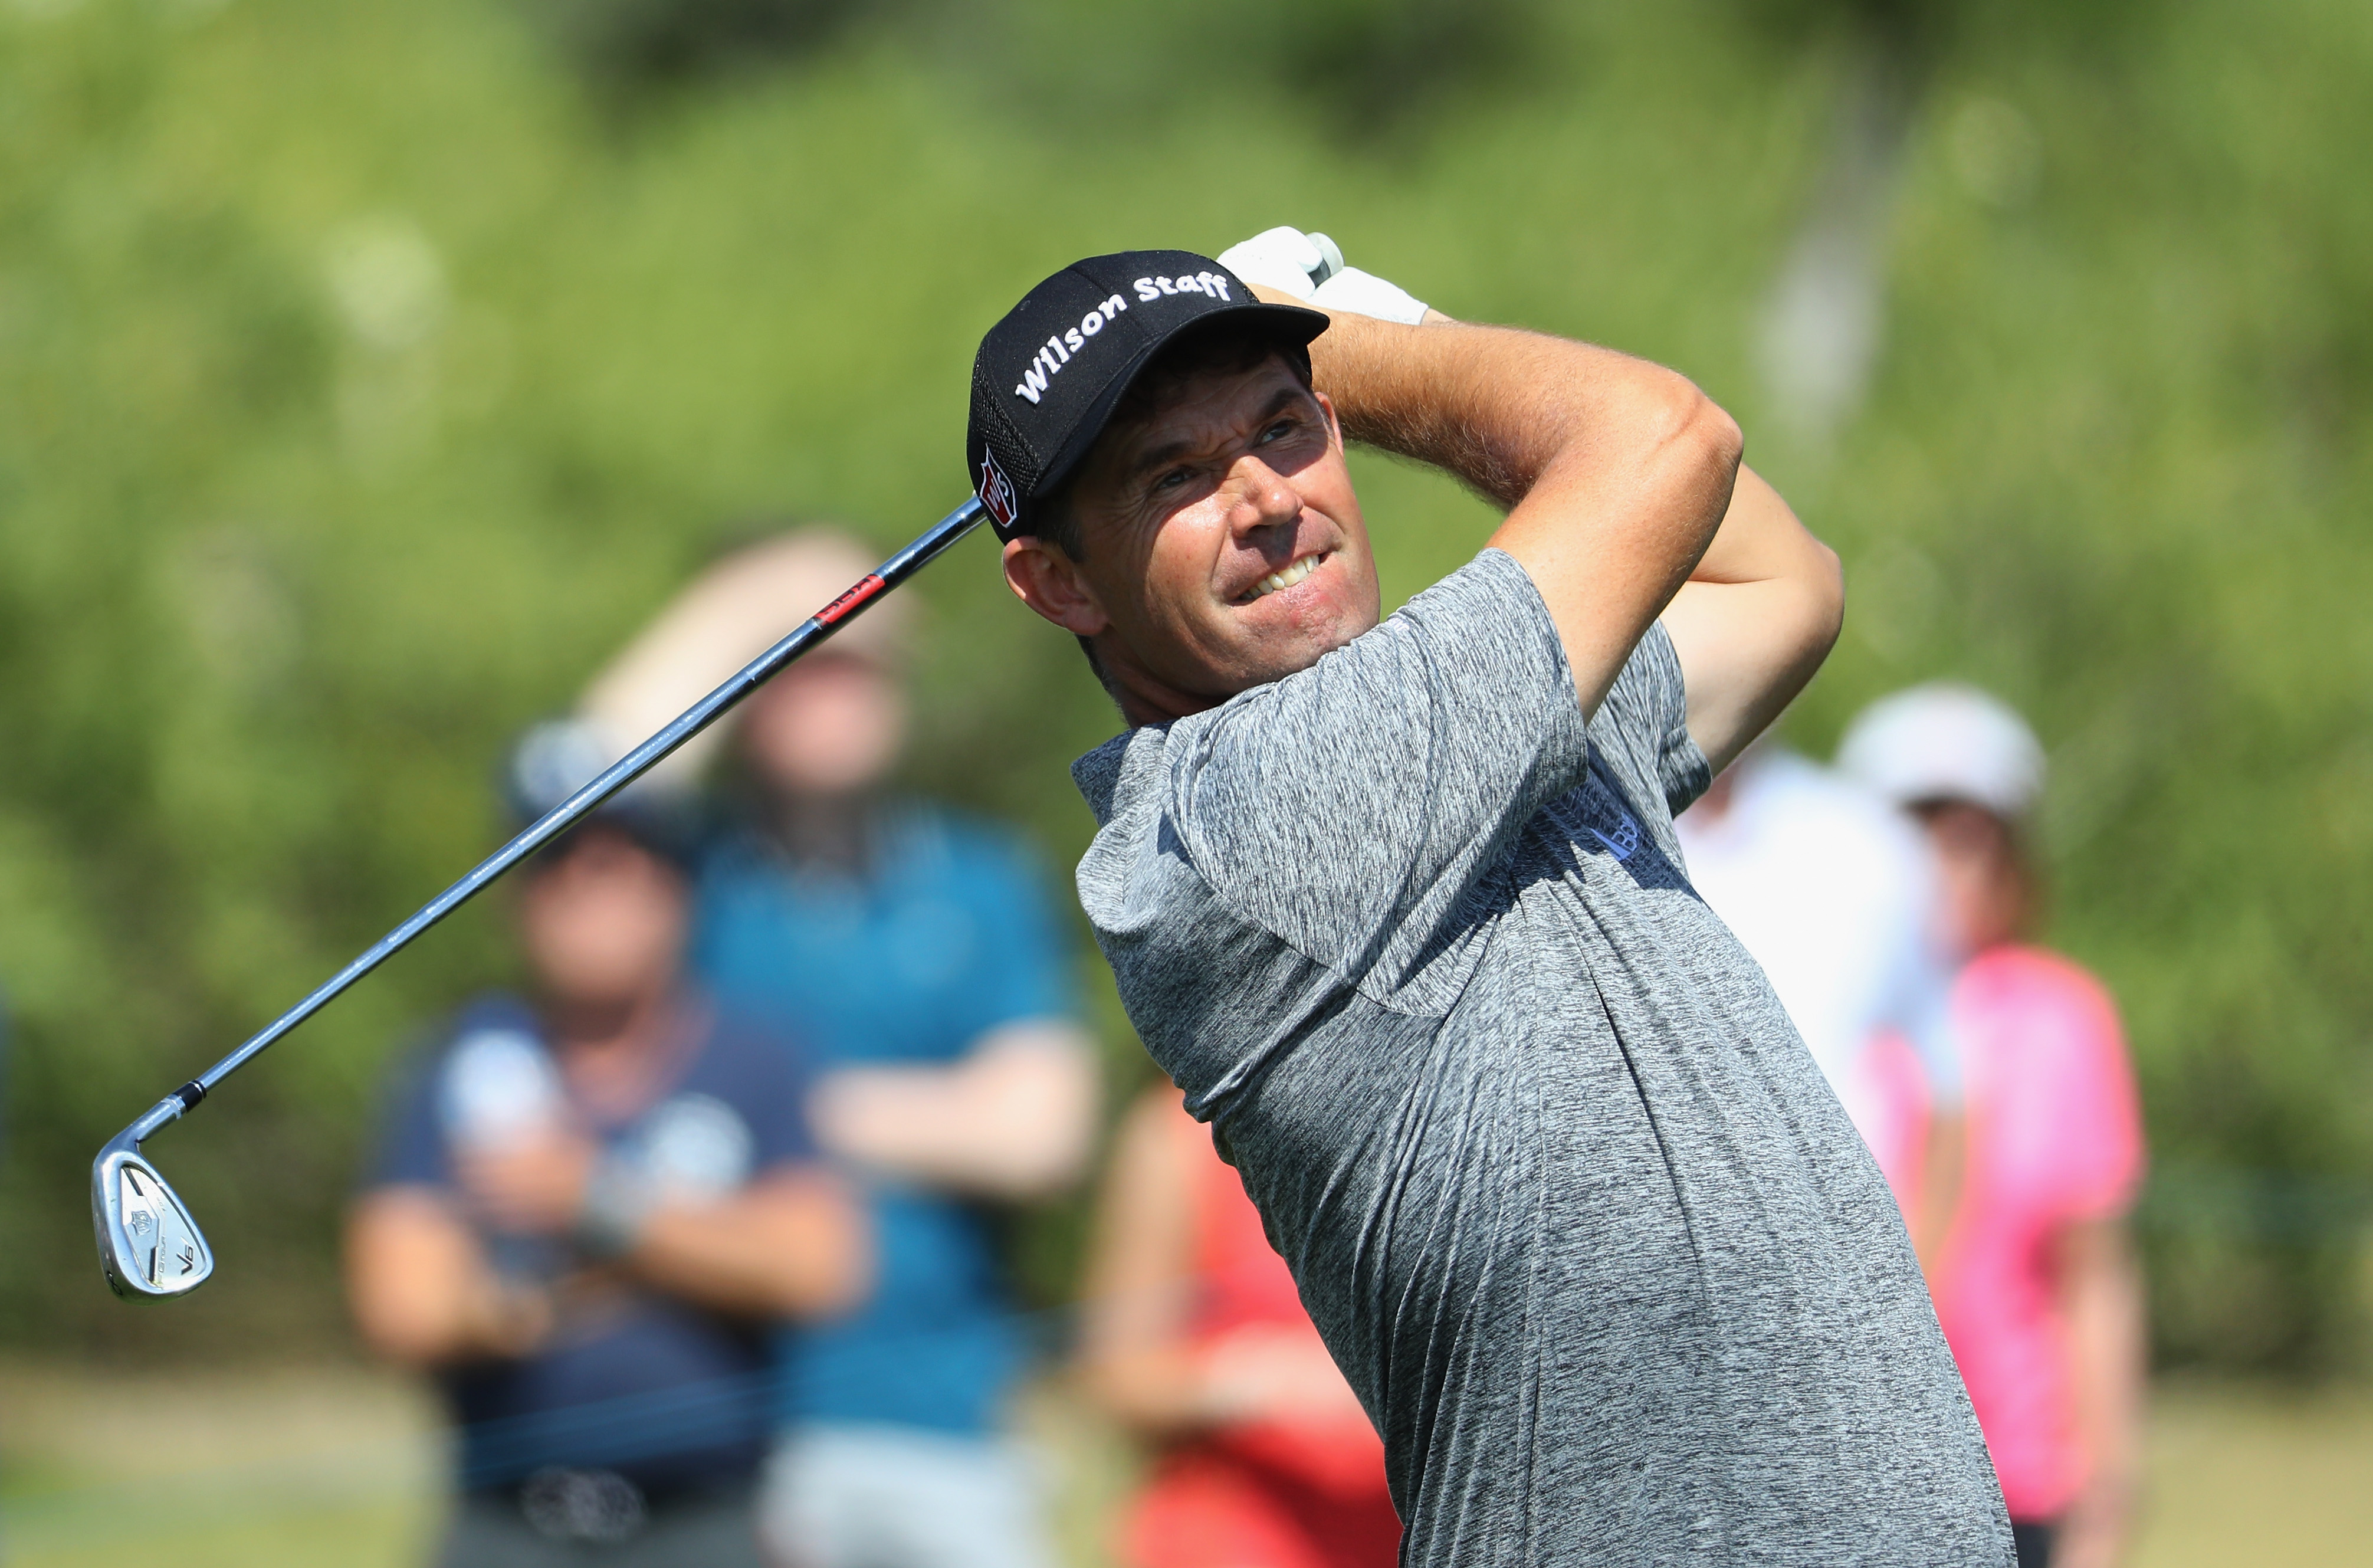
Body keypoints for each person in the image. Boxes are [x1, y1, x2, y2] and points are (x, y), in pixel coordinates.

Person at [977, 231, 2013, 1564]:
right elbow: (1666, 439)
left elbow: (1779, 579)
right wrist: (1352, 342)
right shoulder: (1235, 819)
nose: (1265, 499)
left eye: (1283, 428)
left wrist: (1373, 330)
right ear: (1057, 580)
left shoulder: (1486, 737)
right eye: (1172, 474)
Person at [580, 530, 1099, 1568]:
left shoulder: (980, 879)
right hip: (731, 1426)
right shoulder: (689, 886)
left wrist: (760, 1107)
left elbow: (1040, 1135)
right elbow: (579, 783)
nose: (834, 695)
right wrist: (758, 592)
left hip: (945, 1423)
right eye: (802, 664)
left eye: (860, 664)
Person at [347, 724, 868, 1567]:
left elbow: (819, 1264)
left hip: (709, 1525)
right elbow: (402, 1303)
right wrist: (566, 1294)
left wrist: (596, 1204)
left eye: (619, 858)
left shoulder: (753, 1057)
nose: (585, 886)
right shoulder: (456, 1059)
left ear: (676, 884)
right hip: (506, 1527)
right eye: (553, 860)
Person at [1840, 685, 2147, 1568]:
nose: (1947, 859)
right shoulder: (1822, 1012)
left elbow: (2094, 1276)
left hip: (2019, 1485)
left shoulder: (2063, 1021)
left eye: (1972, 832)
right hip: (1850, 1476)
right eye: (1918, 828)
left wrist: (2107, 1496)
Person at [1080, 1082, 1400, 1568]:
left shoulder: (1463, 1125)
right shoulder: (1184, 1134)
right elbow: (1119, 1375)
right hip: (1234, 1538)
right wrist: (1254, 1383)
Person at [1675, 744, 1968, 1270]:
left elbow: (1948, 1073)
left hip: (1846, 1256)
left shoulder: (1862, 839)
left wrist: (1915, 1280)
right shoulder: (1571, 825)